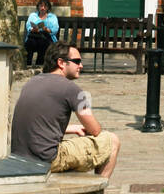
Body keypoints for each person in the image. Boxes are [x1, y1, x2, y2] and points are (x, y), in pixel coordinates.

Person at [11, 40, 120, 181]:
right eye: (76, 61)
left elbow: (36, 123)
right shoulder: (72, 89)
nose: (81, 65)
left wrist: (71, 128)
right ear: (61, 63)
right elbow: (95, 130)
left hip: (20, 156)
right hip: (48, 158)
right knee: (111, 140)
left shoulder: (31, 82)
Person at [24, 0, 59, 66]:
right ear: (38, 7)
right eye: (41, 6)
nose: (43, 8)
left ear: (48, 8)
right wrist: (33, 29)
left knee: (42, 42)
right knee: (29, 42)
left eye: (45, 6)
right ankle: (27, 64)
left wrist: (47, 29)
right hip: (34, 36)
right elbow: (28, 26)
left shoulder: (52, 17)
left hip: (47, 37)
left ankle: (39, 64)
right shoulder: (33, 15)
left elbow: (55, 29)